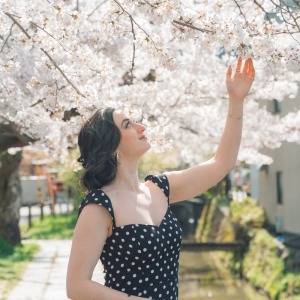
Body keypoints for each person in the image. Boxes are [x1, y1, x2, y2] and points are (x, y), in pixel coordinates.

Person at [66, 57, 255, 300]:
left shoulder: (160, 188)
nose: (140, 126)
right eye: (128, 125)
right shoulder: (99, 206)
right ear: (112, 147)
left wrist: (236, 100)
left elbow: (222, 163)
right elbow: (77, 286)